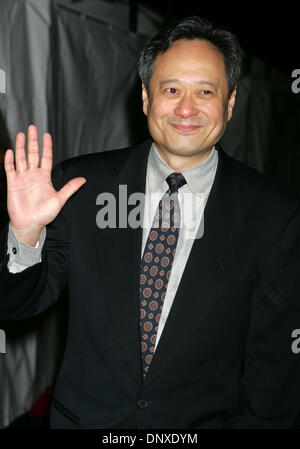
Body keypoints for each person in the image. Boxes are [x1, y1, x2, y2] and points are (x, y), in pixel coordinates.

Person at [0, 16, 300, 429]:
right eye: (171, 89)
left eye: (206, 92)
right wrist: (26, 234)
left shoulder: (275, 216)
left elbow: (274, 376)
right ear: (145, 98)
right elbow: (16, 305)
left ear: (230, 104)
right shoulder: (80, 188)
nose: (186, 108)